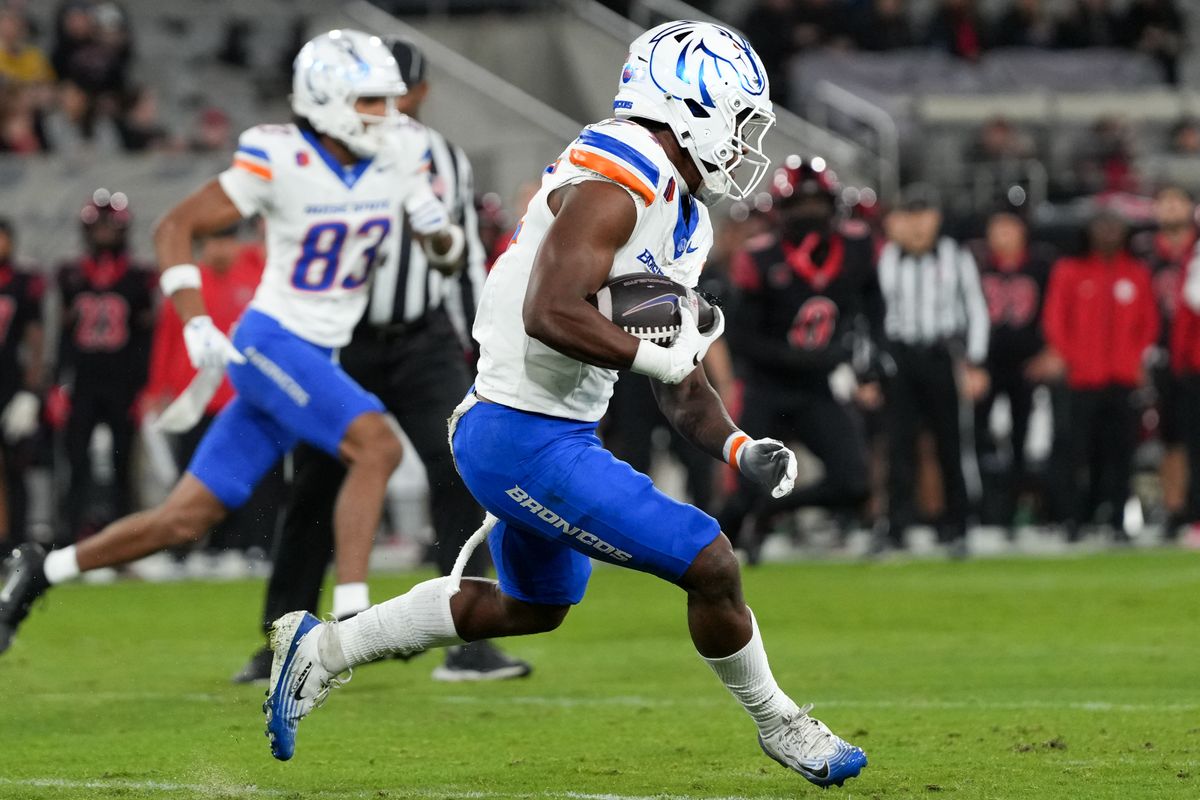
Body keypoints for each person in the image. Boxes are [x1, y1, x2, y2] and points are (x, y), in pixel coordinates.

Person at [262, 20, 868, 789]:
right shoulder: (620, 178)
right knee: (710, 560)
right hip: (518, 434)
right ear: (689, 104)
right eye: (740, 119)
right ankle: (782, 724)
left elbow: (679, 382)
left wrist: (740, 446)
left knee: (531, 607)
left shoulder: (683, 213)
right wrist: (655, 353)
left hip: (554, 433)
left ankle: (322, 650)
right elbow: (549, 310)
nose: (746, 142)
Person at [0, 29, 463, 654]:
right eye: (371, 101)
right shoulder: (281, 156)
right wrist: (195, 320)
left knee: (184, 518)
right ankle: (356, 624)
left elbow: (448, 258)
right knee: (375, 446)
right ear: (326, 100)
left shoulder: (401, 153)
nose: (389, 114)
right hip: (273, 343)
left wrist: (439, 236)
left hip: (315, 354)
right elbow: (176, 226)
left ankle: (39, 569)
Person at [232, 38, 528, 685]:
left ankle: (466, 634)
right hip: (346, 337)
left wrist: (480, 339)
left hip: (422, 338)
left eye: (395, 92)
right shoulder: (317, 158)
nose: (387, 105)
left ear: (417, 94)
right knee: (314, 482)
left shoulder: (444, 158)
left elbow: (467, 255)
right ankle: (282, 636)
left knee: (461, 470)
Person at [719, 157, 883, 561]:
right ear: (782, 211)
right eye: (800, 207)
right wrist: (801, 359)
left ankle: (774, 510)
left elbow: (875, 309)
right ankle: (707, 558)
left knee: (854, 482)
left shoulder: (858, 248)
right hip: (765, 387)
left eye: (818, 205)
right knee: (740, 495)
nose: (811, 214)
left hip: (816, 390)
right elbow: (741, 337)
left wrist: (866, 362)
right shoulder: (759, 257)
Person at [874, 186, 990, 554]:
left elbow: (976, 309)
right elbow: (874, 315)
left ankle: (956, 523)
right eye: (912, 215)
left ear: (936, 219)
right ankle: (897, 525)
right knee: (899, 445)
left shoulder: (957, 257)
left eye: (925, 215)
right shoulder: (887, 258)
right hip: (901, 358)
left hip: (942, 355)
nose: (920, 224)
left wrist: (975, 362)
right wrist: (872, 367)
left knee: (951, 442)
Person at [1043, 212, 1159, 541]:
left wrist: (1133, 359)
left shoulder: (1136, 274)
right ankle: (1073, 519)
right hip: (1081, 380)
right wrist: (1071, 358)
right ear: (1088, 231)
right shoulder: (1070, 271)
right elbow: (1055, 320)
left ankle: (1118, 518)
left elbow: (1148, 324)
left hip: (1121, 379)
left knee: (1120, 453)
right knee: (1075, 452)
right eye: (1102, 226)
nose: (1108, 232)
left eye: (1115, 227)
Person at [55, 189, 156, 544]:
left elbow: (146, 338)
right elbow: (64, 335)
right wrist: (57, 385)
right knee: (76, 464)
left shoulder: (139, 277)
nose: (103, 234)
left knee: (123, 466)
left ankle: (123, 542)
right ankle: (69, 540)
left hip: (122, 384)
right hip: (83, 382)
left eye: (109, 227)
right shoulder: (70, 275)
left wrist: (145, 386)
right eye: (97, 227)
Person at [971, 211, 1056, 529]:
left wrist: (1049, 351)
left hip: (1029, 365)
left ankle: (1023, 509)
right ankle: (981, 508)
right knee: (977, 438)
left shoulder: (1041, 265)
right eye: (997, 226)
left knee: (1027, 442)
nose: (1003, 234)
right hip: (986, 365)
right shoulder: (976, 264)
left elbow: (1055, 307)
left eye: (1009, 226)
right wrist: (970, 360)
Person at [1130, 185, 1196, 536]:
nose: (1170, 209)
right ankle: (1174, 508)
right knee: (1169, 437)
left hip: (1195, 354)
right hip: (1159, 354)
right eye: (1164, 202)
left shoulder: (1197, 252)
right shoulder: (1144, 253)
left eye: (1177, 201)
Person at [0, 219, 46, 546]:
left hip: (8, 385)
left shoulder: (22, 281)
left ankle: (15, 543)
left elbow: (35, 339)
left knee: (17, 468)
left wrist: (30, 392)